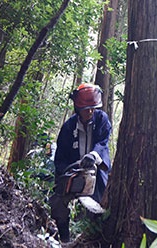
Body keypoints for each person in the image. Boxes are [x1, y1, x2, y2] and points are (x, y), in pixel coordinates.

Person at [48, 83, 112, 242]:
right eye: (86, 108)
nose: (90, 111)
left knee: (101, 208)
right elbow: (60, 159)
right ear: (78, 108)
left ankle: (98, 240)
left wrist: (93, 156)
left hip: (97, 172)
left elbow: (103, 143)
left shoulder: (102, 119)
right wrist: (68, 175)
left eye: (93, 107)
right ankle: (64, 239)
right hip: (73, 172)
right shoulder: (69, 127)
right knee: (58, 203)